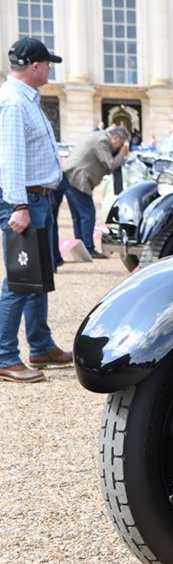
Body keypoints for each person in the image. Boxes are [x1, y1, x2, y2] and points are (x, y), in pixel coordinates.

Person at [0, 37, 72, 383]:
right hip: (25, 200)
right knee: (20, 280)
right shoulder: (15, 102)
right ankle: (4, 357)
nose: (50, 69)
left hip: (37, 199)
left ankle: (41, 346)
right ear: (34, 66)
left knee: (38, 278)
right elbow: (10, 159)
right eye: (48, 64)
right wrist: (19, 205)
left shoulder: (25, 99)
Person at [59, 124, 130, 258]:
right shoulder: (102, 141)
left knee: (78, 216)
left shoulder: (97, 135)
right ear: (115, 138)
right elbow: (110, 165)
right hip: (78, 178)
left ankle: (81, 248)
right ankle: (88, 248)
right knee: (88, 214)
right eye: (120, 144)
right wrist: (122, 154)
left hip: (70, 176)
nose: (119, 148)